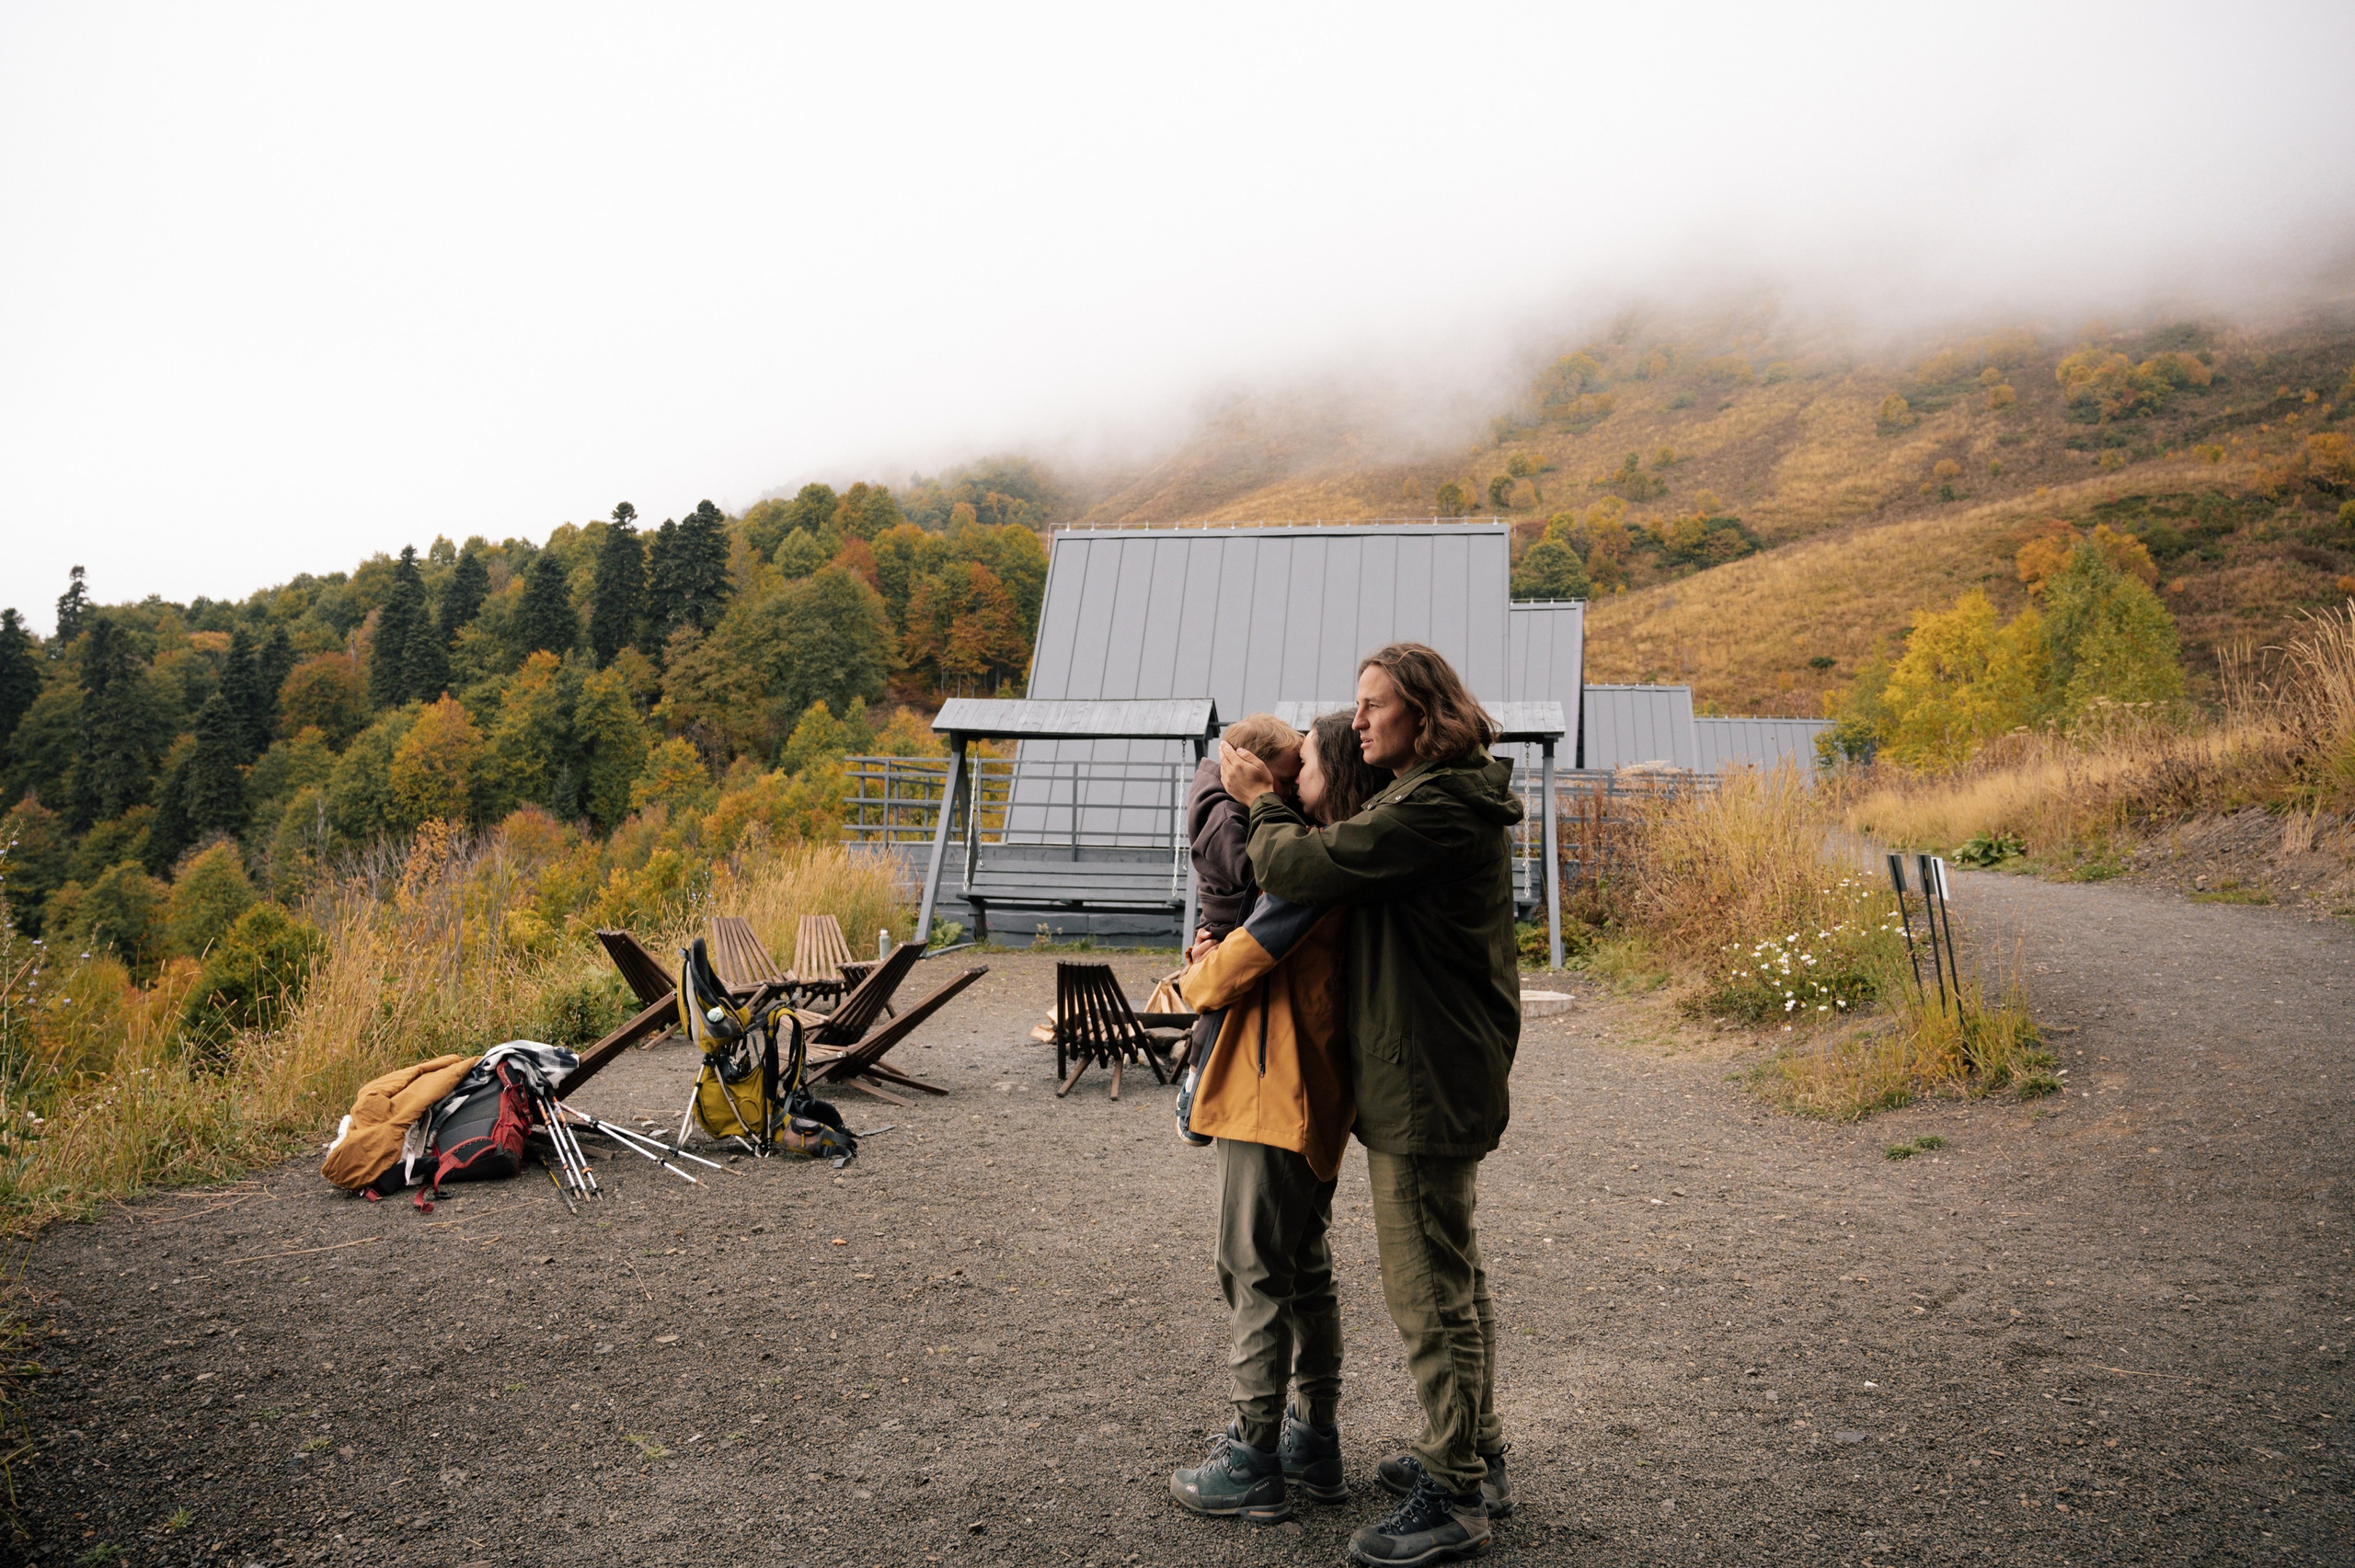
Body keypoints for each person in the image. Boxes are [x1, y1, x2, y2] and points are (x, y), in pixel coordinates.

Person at [1219, 644, 1523, 1568]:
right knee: (1453, 1274)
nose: (1356, 723)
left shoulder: (1432, 805)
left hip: (1422, 1076)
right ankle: (1475, 1451)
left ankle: (1452, 1494)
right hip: (1433, 1067)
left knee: (1427, 1287)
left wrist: (1257, 800)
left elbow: (1300, 870)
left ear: (1422, 713)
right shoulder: (1431, 797)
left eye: (1372, 705)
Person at [1168, 712, 1386, 1523]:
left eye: (1309, 770)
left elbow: (1238, 968)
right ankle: (1314, 1440)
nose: (1294, 779)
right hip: (1317, 1095)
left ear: (1333, 781)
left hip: (1271, 1093)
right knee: (1304, 1269)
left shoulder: (1306, 867)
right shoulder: (1342, 860)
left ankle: (1254, 1453)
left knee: (1252, 1268)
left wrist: (1198, 971)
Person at [1174, 713, 1303, 1143]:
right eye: (1283, 781)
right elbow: (1260, 872)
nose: (1289, 792)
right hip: (1227, 924)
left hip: (1231, 920)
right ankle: (1194, 1091)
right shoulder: (1225, 816)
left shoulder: (1229, 803)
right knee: (1219, 1012)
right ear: (1245, 771)